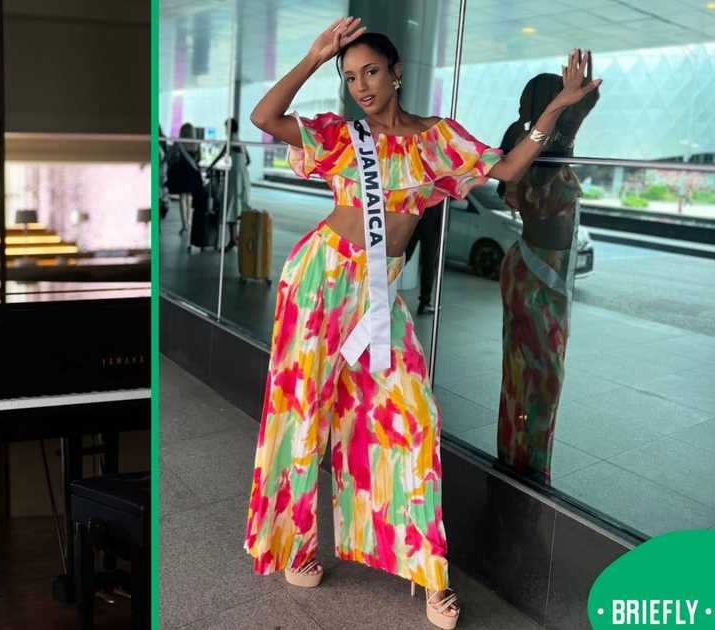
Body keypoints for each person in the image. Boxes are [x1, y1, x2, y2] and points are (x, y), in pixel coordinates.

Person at [243, 17, 600, 629]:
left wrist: (561, 109)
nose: (362, 86)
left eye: (371, 72)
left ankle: (429, 571)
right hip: (319, 282)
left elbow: (510, 169)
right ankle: (297, 544)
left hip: (378, 295)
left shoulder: (437, 139)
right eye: (350, 76)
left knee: (413, 419)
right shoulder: (340, 136)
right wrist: (312, 57)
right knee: (304, 416)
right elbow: (266, 118)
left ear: (398, 71)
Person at [496, 70, 598, 485]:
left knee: (528, 374)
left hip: (539, 272)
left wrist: (578, 109)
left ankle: (520, 457)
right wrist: (570, 123)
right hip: (537, 277)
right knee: (540, 377)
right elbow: (537, 186)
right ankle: (529, 464)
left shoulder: (546, 144)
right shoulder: (534, 147)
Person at [207, 118, 253, 251]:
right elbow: (248, 160)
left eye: (226, 127)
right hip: (243, 177)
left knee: (230, 208)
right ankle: (234, 239)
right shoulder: (240, 141)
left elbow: (221, 155)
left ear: (229, 128)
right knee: (236, 208)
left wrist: (210, 166)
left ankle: (233, 240)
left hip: (234, 178)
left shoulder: (230, 141)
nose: (225, 130)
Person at [166, 122, 205, 235]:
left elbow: (170, 156)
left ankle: (184, 225)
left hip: (182, 173)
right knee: (190, 199)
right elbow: (199, 159)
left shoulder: (179, 142)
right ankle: (190, 222)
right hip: (193, 174)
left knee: (183, 199)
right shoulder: (196, 143)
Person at [403, 203, 442, 314]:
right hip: (424, 218)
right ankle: (425, 302)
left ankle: (425, 302)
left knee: (426, 262)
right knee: (404, 257)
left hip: (421, 217)